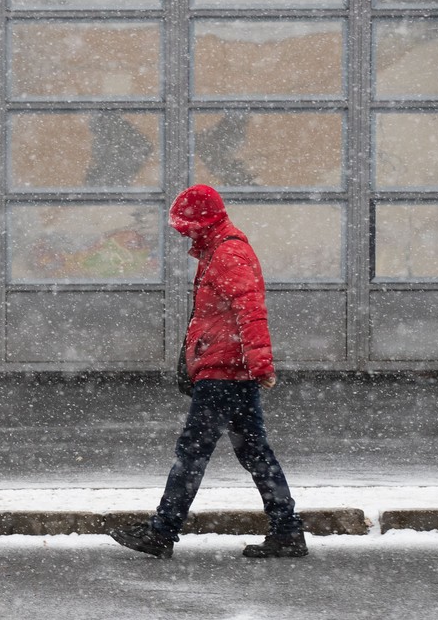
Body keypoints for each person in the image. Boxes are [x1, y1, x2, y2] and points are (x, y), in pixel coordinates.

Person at [110, 184, 307, 559]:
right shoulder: (218, 251)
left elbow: (251, 312)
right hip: (229, 370)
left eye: (186, 224)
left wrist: (261, 364)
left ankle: (162, 531)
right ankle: (287, 530)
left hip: (224, 373)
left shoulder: (229, 253)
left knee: (192, 453)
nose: (182, 231)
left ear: (205, 220)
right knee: (254, 452)